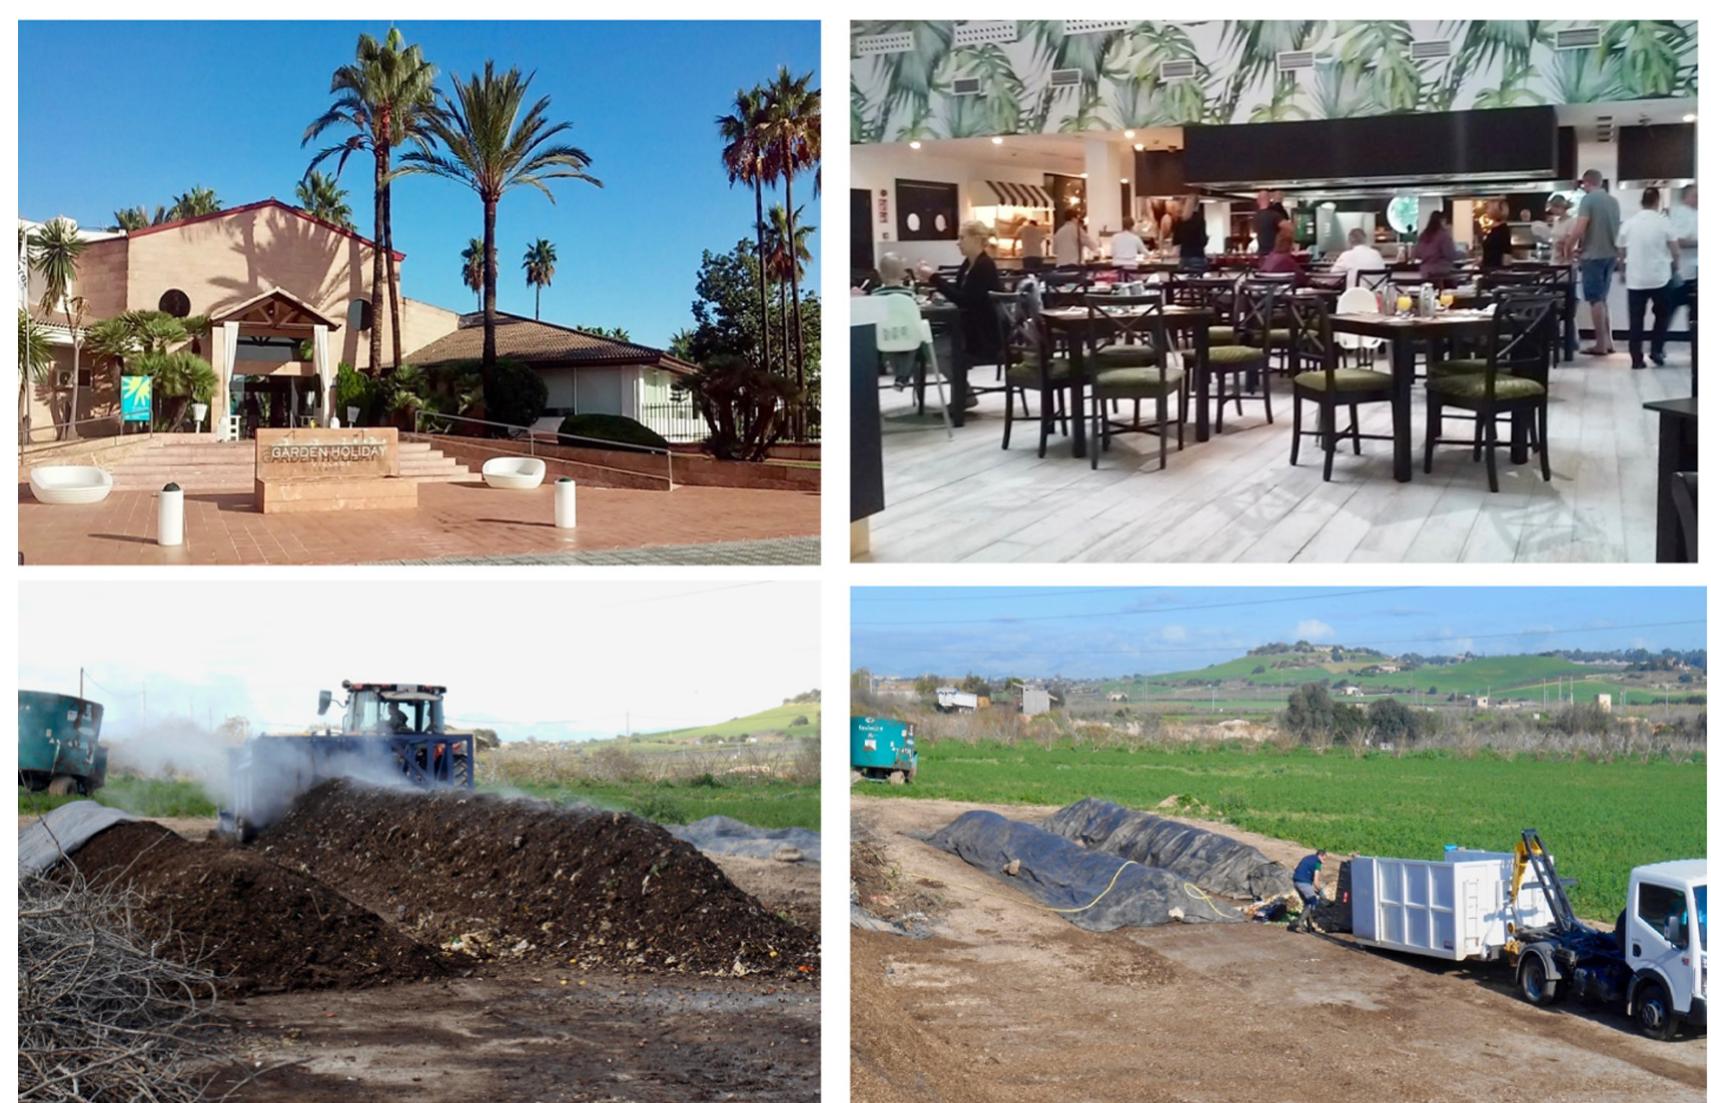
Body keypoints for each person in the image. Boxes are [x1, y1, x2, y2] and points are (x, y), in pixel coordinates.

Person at [932, 220, 1002, 406]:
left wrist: (934, 279)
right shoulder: (968, 265)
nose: (958, 242)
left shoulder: (984, 266)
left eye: (962, 237)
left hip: (983, 336)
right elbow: (959, 294)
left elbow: (965, 300)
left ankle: (964, 395)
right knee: (935, 346)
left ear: (976, 239)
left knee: (937, 350)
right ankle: (965, 394)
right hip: (970, 329)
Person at [1618, 187, 1679, 370]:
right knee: (1662, 316)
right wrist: (1675, 268)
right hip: (1660, 277)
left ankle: (1637, 359)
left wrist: (1622, 271)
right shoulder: (1664, 222)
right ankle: (1656, 351)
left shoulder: (1629, 223)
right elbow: (1675, 250)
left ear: (1641, 202)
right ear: (1657, 202)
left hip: (1635, 279)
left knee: (1636, 320)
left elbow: (1621, 252)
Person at [1570, 169, 1623, 356]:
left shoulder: (1588, 200)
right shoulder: (1613, 201)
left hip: (1593, 257)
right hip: (1610, 256)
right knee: (1603, 299)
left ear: (1587, 182)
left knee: (1595, 301)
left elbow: (1581, 226)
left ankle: (1600, 344)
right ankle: (1609, 342)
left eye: (1583, 184)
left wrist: (1568, 246)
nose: (1582, 187)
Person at [1668, 184, 1698, 341]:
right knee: (1668, 309)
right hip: (1680, 271)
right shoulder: (1678, 213)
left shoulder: (1698, 214)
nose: (1698, 199)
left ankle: (1696, 348)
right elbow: (1677, 241)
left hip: (1696, 272)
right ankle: (1657, 348)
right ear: (1686, 197)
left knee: (1695, 313)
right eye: (1695, 195)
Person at [1414, 210, 1456, 280]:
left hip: (1425, 272)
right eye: (1445, 221)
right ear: (1441, 221)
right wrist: (1465, 254)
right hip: (1441, 272)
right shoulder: (1444, 235)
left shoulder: (1423, 235)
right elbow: (1450, 255)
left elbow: (1417, 254)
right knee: (1463, 278)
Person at [1174, 191, 1209, 272]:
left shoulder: (1181, 220)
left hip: (1184, 258)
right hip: (1197, 256)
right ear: (1197, 204)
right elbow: (1202, 240)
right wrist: (1207, 239)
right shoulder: (1199, 219)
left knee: (1182, 282)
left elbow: (1176, 240)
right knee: (1197, 283)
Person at [1294, 848, 1328, 932]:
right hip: (1303, 883)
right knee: (1312, 902)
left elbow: (1298, 869)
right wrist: (1321, 893)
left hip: (1296, 882)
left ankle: (1309, 925)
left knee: (1307, 903)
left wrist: (1310, 886)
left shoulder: (1307, 857)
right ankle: (1299, 924)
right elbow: (1316, 882)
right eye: (1324, 858)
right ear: (1320, 855)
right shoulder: (1317, 863)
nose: (1325, 860)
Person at [1253, 189, 1289, 256]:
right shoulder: (1273, 215)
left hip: (1262, 253)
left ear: (1258, 201)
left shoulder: (1256, 216)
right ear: (1269, 199)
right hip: (1275, 253)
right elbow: (1289, 228)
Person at [1480, 200, 1512, 270]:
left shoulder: (1503, 230)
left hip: (1495, 272)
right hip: (1489, 269)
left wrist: (1503, 273)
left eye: (1488, 208)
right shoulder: (1494, 229)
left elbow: (1506, 253)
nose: (1486, 211)